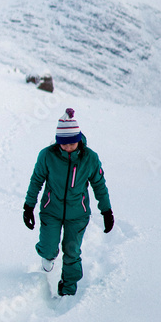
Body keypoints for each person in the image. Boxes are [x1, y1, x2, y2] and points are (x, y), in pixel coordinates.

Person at [23, 108, 114, 296]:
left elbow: (99, 185)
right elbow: (36, 181)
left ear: (78, 140)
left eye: (72, 143)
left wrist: (106, 211)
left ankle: (68, 290)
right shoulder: (47, 155)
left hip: (77, 215)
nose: (68, 147)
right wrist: (28, 206)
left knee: (72, 251)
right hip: (51, 210)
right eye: (63, 144)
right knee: (48, 248)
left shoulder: (90, 158)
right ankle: (48, 256)